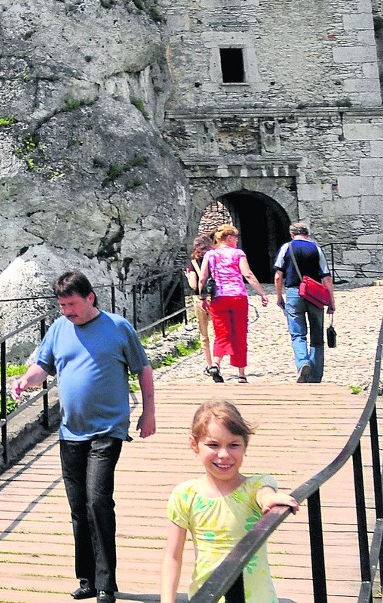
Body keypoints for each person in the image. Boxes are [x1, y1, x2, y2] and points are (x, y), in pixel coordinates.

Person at [11, 270, 156, 603]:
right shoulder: (59, 328)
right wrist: (25, 380)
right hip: (70, 431)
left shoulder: (118, 328)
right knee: (79, 508)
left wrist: (149, 413)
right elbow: (42, 367)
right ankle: (87, 579)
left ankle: (107, 583)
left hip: (108, 431)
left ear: (90, 298)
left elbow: (143, 369)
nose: (67, 311)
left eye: (72, 304)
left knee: (98, 502)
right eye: (62, 305)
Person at [160, 400, 298, 603]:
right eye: (213, 445)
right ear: (194, 445)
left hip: (257, 598)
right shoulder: (185, 494)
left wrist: (270, 499)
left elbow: (264, 493)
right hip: (209, 595)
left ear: (245, 446)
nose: (224, 455)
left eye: (233, 445)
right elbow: (173, 556)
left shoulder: (255, 486)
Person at [198, 225, 268, 383]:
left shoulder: (210, 254)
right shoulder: (238, 254)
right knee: (240, 334)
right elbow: (248, 274)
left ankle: (215, 363)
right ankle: (241, 374)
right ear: (229, 238)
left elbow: (203, 278)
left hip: (218, 299)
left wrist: (202, 297)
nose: (237, 240)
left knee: (221, 333)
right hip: (238, 297)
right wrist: (262, 293)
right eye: (235, 237)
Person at [273, 221, 336, 383]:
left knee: (298, 334)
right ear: (307, 233)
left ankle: (303, 362)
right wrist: (331, 302)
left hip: (294, 293)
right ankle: (315, 376)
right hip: (315, 294)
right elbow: (326, 277)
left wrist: (279, 296)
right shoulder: (316, 249)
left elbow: (278, 275)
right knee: (317, 335)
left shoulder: (286, 248)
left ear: (292, 234)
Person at [184, 234, 217, 378]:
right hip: (216, 297)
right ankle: (217, 363)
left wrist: (187, 276)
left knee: (204, 335)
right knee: (216, 332)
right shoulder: (214, 259)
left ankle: (209, 365)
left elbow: (193, 285)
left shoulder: (194, 263)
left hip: (200, 299)